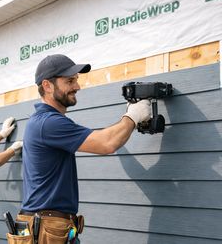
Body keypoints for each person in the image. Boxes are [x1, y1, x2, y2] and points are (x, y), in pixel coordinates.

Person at [11, 54, 151, 244]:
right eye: (69, 81)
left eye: (76, 80)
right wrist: (133, 116)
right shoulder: (49, 123)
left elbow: (109, 141)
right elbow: (107, 143)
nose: (77, 86)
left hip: (52, 227)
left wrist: (129, 120)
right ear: (47, 86)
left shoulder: (44, 121)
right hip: (47, 230)